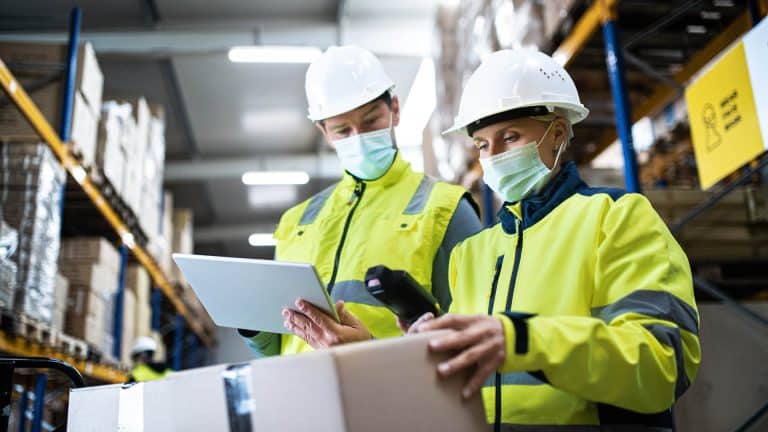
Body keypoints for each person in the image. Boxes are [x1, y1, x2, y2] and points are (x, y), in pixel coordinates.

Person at [405, 49, 702, 430]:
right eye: (482, 145)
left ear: (558, 133)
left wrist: (526, 340)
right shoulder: (471, 254)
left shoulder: (616, 219)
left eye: (509, 137)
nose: (492, 157)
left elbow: (661, 365)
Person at [238, 45, 482, 356]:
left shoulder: (445, 209)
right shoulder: (295, 222)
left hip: (390, 399)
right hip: (302, 397)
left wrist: (368, 351)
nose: (359, 137)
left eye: (370, 121)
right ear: (324, 132)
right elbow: (279, 348)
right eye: (343, 130)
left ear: (394, 109)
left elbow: (472, 339)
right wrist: (253, 326)